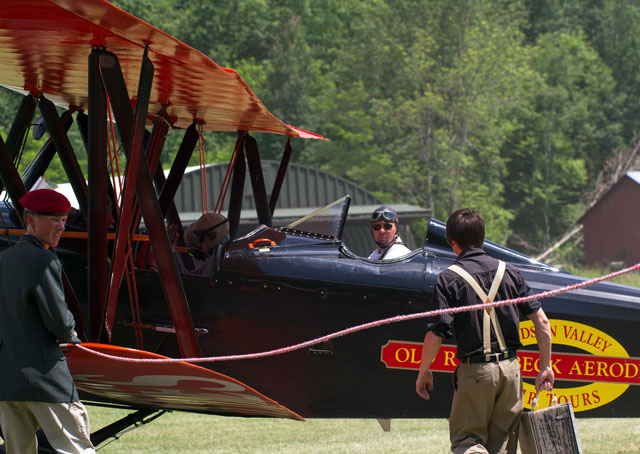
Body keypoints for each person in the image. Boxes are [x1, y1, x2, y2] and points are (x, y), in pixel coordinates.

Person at [415, 208, 553, 454]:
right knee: (500, 446)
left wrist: (424, 370)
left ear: (452, 242)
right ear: (482, 237)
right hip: (511, 372)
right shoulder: (510, 271)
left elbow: (436, 333)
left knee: (467, 443)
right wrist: (546, 366)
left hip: (477, 373)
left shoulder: (448, 280)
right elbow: (542, 322)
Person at [0, 189, 95, 454]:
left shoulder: (3, 260)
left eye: (64, 219)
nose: (62, 226)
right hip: (45, 378)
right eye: (54, 219)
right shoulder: (44, 258)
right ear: (30, 219)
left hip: (7, 380)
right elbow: (59, 321)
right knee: (76, 449)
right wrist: (72, 334)